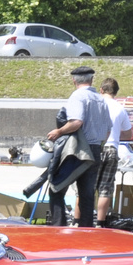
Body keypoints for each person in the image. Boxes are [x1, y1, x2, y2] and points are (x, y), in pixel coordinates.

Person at [43, 66, 111, 226]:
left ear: (74, 80)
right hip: (96, 149)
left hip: (78, 150)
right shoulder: (101, 99)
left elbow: (76, 122)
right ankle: (85, 231)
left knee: (56, 187)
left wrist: (58, 131)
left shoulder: (78, 96)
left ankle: (58, 227)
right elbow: (108, 130)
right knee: (87, 194)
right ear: (92, 80)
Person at [97, 76, 131, 224]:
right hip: (112, 148)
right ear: (115, 92)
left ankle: (78, 221)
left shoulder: (95, 105)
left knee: (85, 188)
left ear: (101, 90)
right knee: (105, 189)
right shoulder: (120, 108)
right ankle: (100, 223)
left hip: (95, 147)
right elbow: (129, 133)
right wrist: (116, 132)